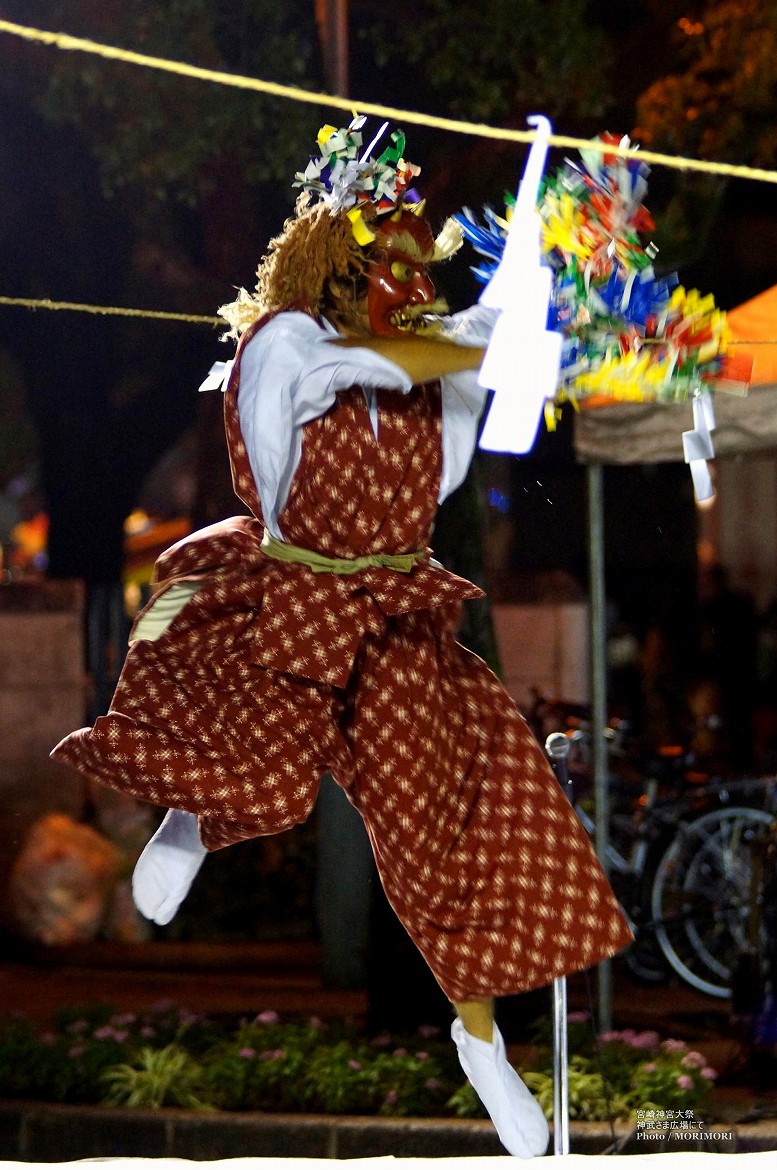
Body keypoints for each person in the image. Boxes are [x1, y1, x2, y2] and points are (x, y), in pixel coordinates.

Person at [52, 120, 632, 1158]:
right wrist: (475, 342)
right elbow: (352, 365)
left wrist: (543, 215)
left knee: (446, 830)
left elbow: (494, 334)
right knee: (269, 783)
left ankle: (480, 1038)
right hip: (292, 596)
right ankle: (191, 819)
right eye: (390, 264)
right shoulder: (287, 342)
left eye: (419, 266)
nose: (412, 282)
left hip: (397, 614)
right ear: (337, 262)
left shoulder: (436, 370)